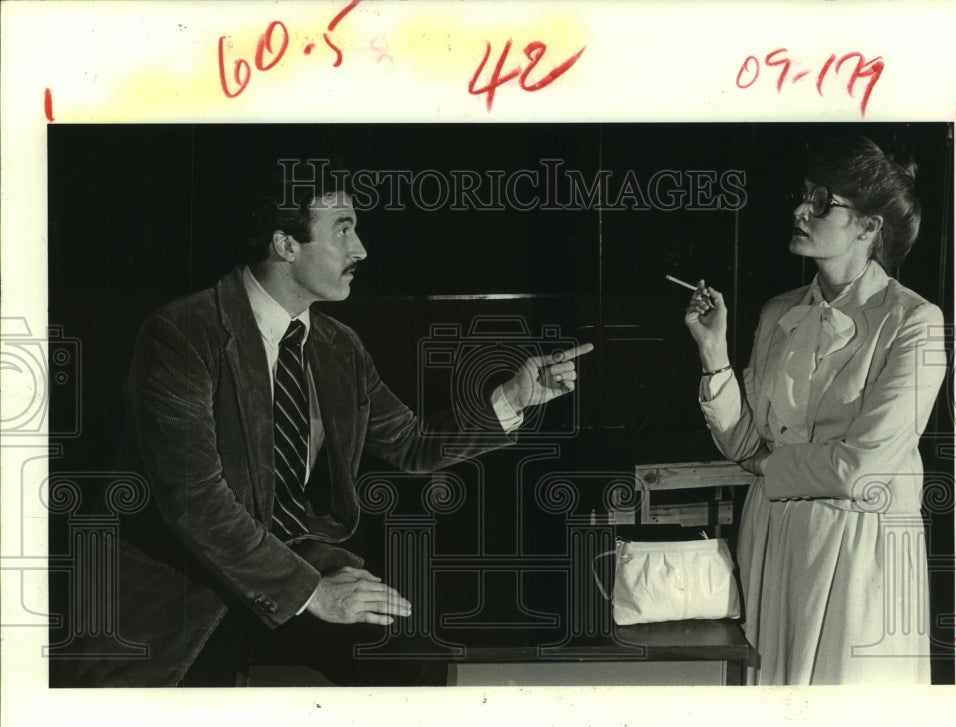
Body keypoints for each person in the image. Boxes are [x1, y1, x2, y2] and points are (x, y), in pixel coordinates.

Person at [56, 163, 592, 687]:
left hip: (295, 566)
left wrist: (511, 399)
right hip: (187, 585)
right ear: (286, 245)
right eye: (343, 231)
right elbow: (197, 503)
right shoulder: (182, 334)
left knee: (412, 654)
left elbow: (411, 443)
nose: (361, 250)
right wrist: (317, 594)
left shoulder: (339, 348)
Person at [684, 136, 946, 684]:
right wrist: (714, 352)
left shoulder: (914, 322)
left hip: (857, 553)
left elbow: (861, 468)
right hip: (773, 540)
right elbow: (744, 445)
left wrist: (769, 468)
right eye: (805, 196)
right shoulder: (781, 312)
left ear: (869, 228)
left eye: (823, 201)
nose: (802, 210)